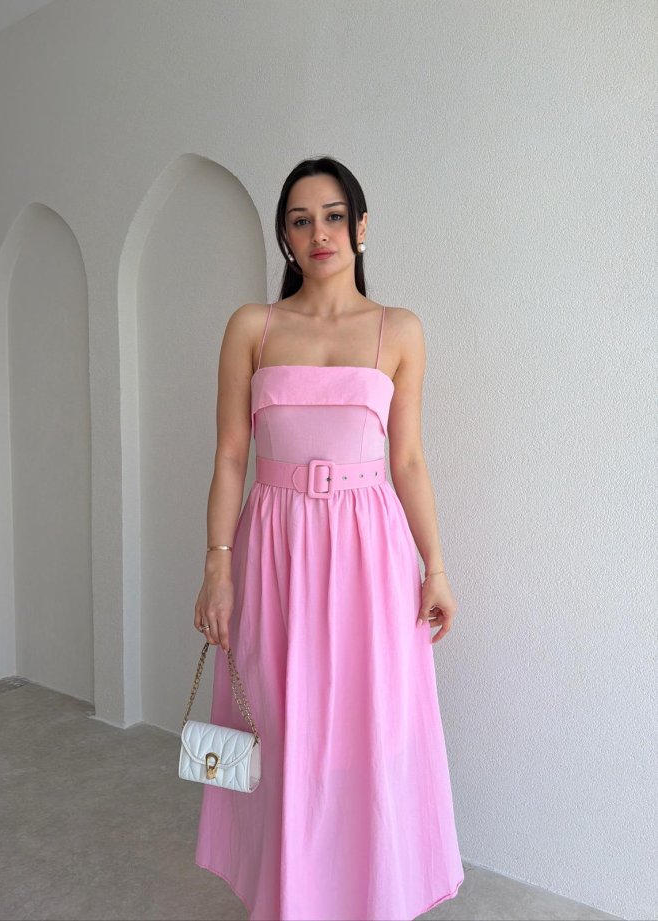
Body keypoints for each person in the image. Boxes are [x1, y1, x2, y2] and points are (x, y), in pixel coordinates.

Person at [193, 156, 464, 921]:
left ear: (361, 226)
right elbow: (230, 455)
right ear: (284, 236)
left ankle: (365, 895)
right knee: (280, 726)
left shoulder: (398, 329)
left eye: (334, 216)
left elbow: (407, 460)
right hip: (273, 549)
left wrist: (435, 566)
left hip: (369, 553)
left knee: (367, 731)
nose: (320, 233)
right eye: (301, 219)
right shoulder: (251, 326)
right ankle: (289, 896)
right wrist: (217, 567)